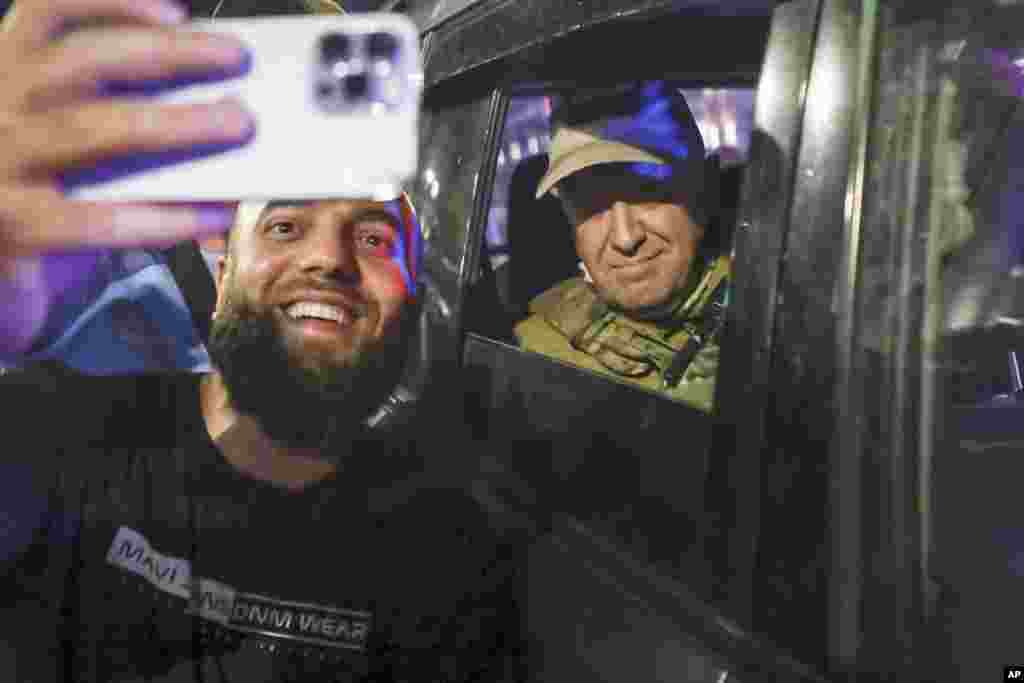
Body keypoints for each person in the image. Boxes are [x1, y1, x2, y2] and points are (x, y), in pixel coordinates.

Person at [0, 1, 523, 681]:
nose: (329, 259)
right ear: (221, 273)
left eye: (373, 237)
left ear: (416, 298)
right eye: (284, 226)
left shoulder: (449, 554)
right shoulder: (61, 440)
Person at [513, 82, 731, 413]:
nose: (625, 238)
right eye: (590, 204)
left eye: (647, 191)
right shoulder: (525, 360)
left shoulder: (780, 322)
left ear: (706, 191)